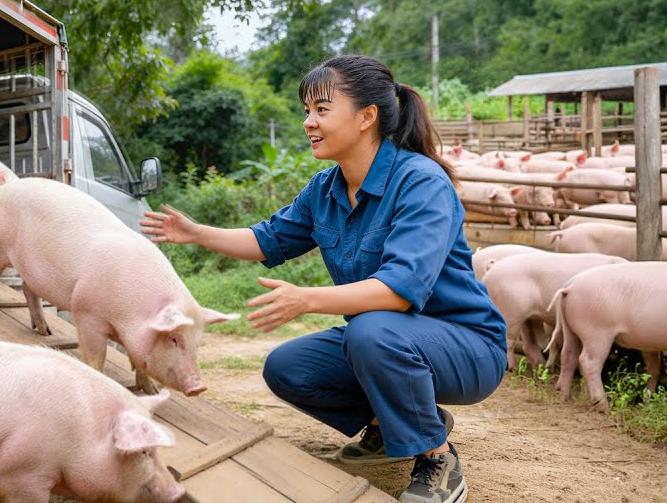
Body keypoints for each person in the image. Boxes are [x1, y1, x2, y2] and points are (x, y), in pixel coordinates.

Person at [141, 55, 505, 503]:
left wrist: (307, 299)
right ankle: (394, 423)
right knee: (288, 368)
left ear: (367, 116)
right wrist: (196, 233)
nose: (309, 122)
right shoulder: (325, 189)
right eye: (306, 111)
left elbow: (399, 290)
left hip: (467, 347)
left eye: (322, 110)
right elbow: (268, 239)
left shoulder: (421, 182)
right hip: (388, 340)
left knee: (370, 330)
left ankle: (437, 459)